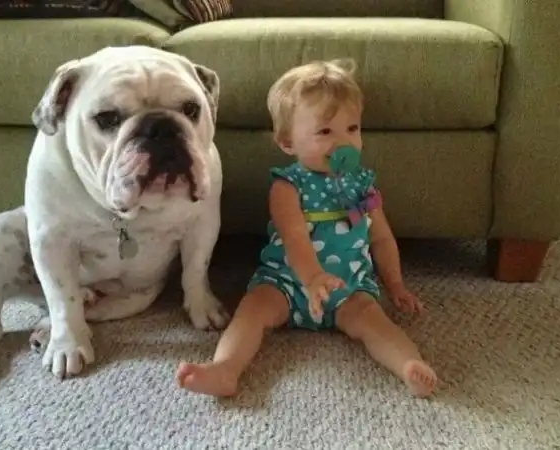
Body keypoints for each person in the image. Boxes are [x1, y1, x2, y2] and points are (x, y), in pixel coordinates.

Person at [176, 59, 437, 398]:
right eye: (325, 132)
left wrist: (396, 284)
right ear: (288, 142)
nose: (343, 142)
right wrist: (312, 279)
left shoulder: (362, 186)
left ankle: (409, 366)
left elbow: (381, 237)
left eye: (352, 129)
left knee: (373, 319)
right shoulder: (288, 186)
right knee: (253, 309)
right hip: (287, 283)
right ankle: (226, 368)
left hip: (347, 286)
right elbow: (294, 236)